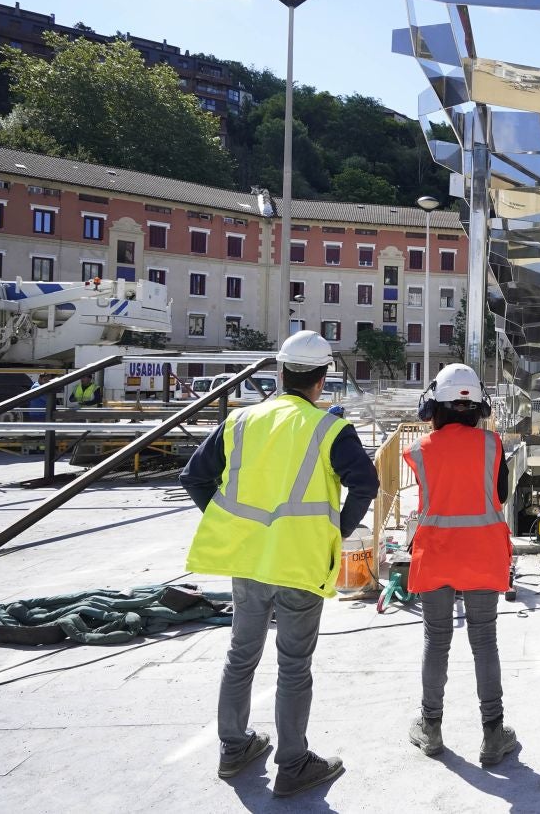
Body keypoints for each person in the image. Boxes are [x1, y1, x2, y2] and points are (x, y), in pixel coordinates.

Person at [180, 330, 380, 798]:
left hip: (249, 560)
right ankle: (292, 763)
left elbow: (195, 477)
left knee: (241, 655)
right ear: (323, 377)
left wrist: (230, 522)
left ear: (280, 372)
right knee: (293, 666)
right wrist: (338, 531)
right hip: (301, 562)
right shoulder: (329, 428)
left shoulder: (241, 421)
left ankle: (233, 749)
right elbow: (365, 484)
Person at [403, 363, 517, 767]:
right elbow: (499, 496)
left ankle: (431, 727)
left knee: (437, 642)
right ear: (478, 407)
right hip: (482, 555)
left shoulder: (419, 449)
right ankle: (492, 733)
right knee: (484, 641)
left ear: (434, 405)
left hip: (436, 555)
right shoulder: (492, 445)